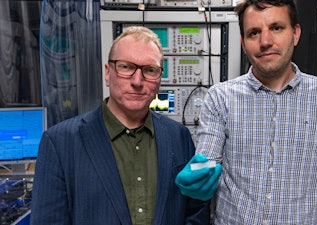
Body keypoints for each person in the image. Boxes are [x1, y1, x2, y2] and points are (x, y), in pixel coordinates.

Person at [175, 0, 317, 224]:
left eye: (276, 28)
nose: (265, 41)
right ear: (243, 43)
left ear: (295, 33)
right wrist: (198, 174)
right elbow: (207, 162)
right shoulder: (220, 98)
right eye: (254, 33)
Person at [30, 26, 210, 225]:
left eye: (150, 70)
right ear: (108, 73)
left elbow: (195, 213)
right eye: (126, 67)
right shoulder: (60, 143)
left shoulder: (179, 136)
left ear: (159, 79)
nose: (137, 81)